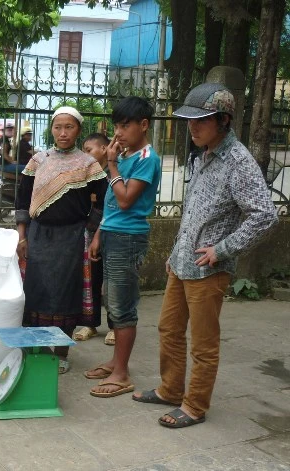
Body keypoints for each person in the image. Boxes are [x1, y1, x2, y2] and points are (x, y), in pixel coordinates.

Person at [132, 83, 278, 427]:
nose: (192, 127)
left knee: (203, 343)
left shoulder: (238, 161)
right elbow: (194, 213)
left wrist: (221, 250)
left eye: (200, 121)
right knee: (168, 329)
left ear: (224, 121)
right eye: (188, 121)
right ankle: (170, 389)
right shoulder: (203, 155)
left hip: (209, 270)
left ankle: (195, 405)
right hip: (182, 264)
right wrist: (175, 250)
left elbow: (265, 215)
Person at [15, 106, 108, 374]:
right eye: (58, 127)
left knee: (66, 293)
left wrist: (89, 231)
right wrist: (22, 236)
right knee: (38, 291)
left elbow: (103, 202)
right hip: (39, 235)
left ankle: (62, 353)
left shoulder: (88, 164)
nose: (63, 133)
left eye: (69, 127)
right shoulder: (39, 161)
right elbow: (23, 198)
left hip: (71, 237)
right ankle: (41, 352)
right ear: (51, 129)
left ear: (78, 130)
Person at [86, 97, 161, 397]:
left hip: (129, 238)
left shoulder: (146, 159)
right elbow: (110, 204)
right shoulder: (127, 154)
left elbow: (125, 199)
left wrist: (113, 164)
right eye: (116, 125)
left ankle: (122, 373)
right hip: (114, 233)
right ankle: (115, 361)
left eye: (125, 125)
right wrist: (99, 234)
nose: (118, 132)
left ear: (143, 125)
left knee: (122, 305)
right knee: (112, 300)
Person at [77, 133, 116, 346]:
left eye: (89, 150)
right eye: (83, 150)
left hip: (111, 233)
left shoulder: (113, 172)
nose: (86, 154)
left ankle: (114, 326)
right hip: (90, 232)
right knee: (91, 279)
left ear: (103, 149)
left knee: (111, 281)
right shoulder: (88, 174)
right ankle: (90, 323)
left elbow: (110, 206)